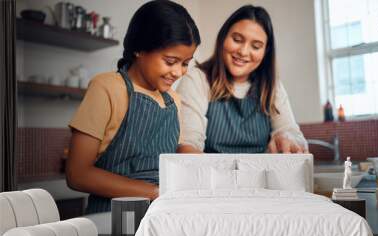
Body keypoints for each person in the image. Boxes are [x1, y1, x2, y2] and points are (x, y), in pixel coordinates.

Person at [66, 0, 200, 213]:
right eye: (170, 61)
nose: (178, 72)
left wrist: (212, 166)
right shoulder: (107, 87)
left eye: (185, 63)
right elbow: (77, 174)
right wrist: (155, 192)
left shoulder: (173, 99)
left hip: (160, 213)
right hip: (111, 219)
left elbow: (177, 148)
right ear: (140, 49)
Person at [176, 5, 307, 154]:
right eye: (237, 39)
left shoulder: (272, 87)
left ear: (265, 52)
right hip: (210, 175)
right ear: (223, 37)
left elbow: (291, 133)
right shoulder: (197, 79)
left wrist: (287, 138)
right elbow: (187, 146)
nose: (243, 52)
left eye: (256, 46)